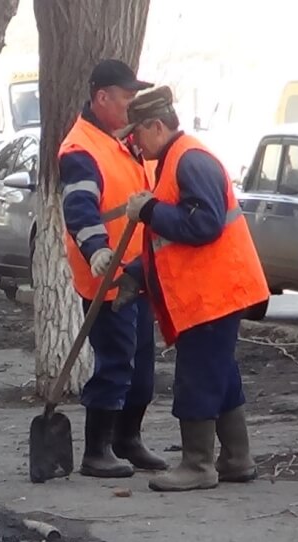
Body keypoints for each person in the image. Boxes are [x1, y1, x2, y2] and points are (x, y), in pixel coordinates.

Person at [118, 85, 268, 492]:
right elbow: (171, 244)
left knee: (197, 376)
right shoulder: (175, 160)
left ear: (156, 125)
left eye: (137, 132)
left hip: (213, 294)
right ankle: (237, 458)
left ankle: (198, 465)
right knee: (220, 374)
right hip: (212, 292)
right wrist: (137, 272)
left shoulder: (190, 161)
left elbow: (202, 226)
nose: (133, 140)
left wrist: (149, 210)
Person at [59, 59, 167, 478]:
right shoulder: (80, 148)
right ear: (102, 97)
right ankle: (96, 449)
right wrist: (97, 251)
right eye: (126, 98)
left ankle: (128, 439)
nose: (132, 106)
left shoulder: (120, 140)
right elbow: (80, 207)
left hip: (137, 272)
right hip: (105, 274)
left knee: (141, 365)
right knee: (116, 360)